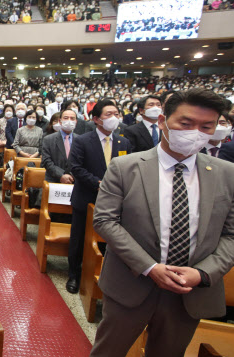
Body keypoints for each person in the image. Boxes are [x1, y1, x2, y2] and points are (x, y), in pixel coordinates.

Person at [90, 88, 234, 357]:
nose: (195, 133)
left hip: (190, 290)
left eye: (206, 126)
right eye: (186, 124)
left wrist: (203, 273)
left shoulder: (228, 174)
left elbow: (232, 235)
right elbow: (105, 221)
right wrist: (150, 267)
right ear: (162, 121)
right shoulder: (126, 167)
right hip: (132, 283)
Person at [67, 99, 132, 294]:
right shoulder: (82, 140)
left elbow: (128, 169)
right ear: (96, 119)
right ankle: (74, 274)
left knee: (107, 240)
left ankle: (103, 276)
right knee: (78, 238)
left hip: (113, 202)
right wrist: (98, 184)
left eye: (116, 114)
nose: (114, 118)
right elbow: (76, 168)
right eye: (108, 114)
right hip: (86, 197)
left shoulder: (123, 142)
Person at [42, 109, 79, 183]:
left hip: (74, 181)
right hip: (53, 180)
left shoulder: (81, 140)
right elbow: (46, 161)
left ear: (76, 122)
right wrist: (61, 175)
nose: (69, 121)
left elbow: (82, 162)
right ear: (60, 121)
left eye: (72, 118)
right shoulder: (48, 139)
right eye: (66, 118)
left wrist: (71, 176)